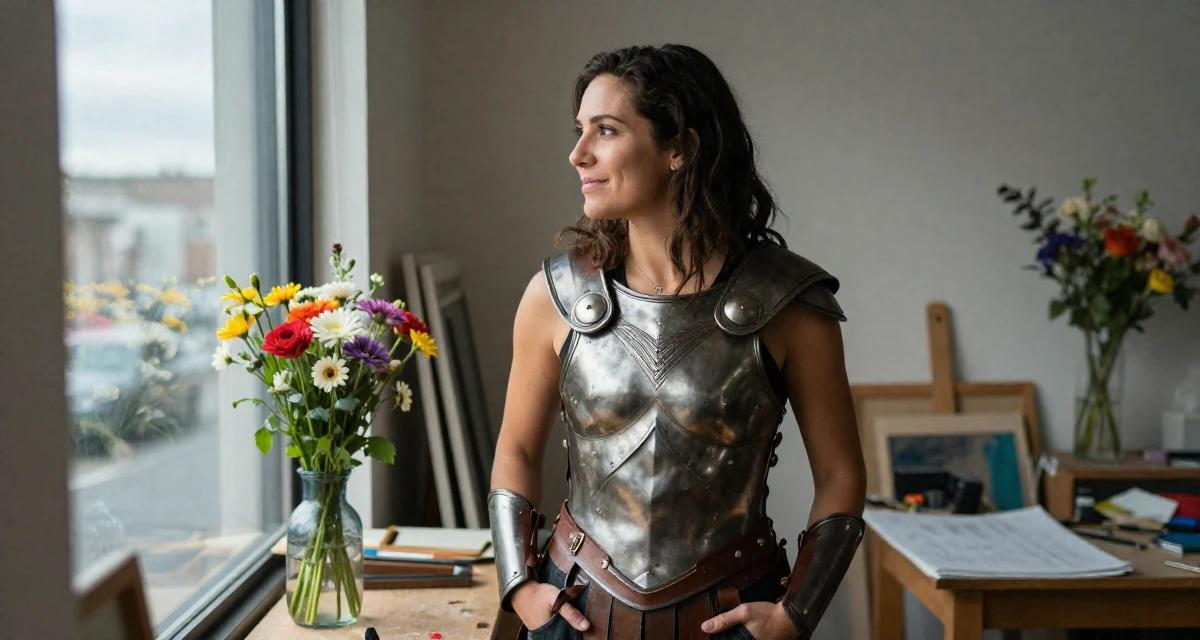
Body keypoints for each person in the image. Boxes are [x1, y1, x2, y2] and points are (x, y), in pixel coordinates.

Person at [489, 43, 867, 640]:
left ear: (680, 148)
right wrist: (519, 586)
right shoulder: (554, 295)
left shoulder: (790, 304)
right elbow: (515, 449)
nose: (578, 153)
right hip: (577, 609)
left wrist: (796, 615)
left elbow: (842, 474)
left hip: (732, 612)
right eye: (579, 130)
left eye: (606, 130)